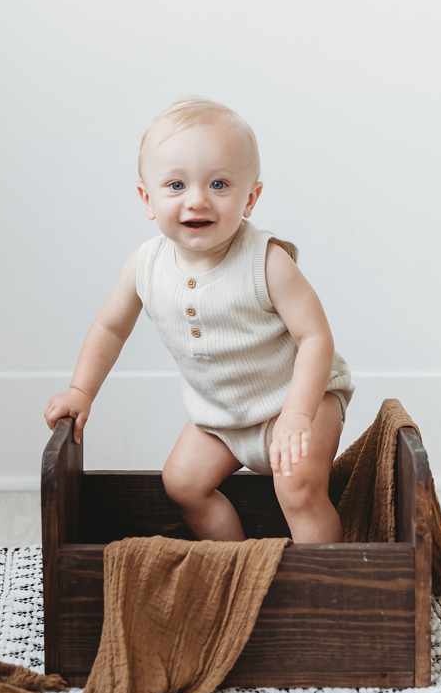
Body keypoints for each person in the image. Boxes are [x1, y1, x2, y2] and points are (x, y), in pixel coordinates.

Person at [44, 97, 354, 543]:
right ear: (146, 199)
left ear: (251, 197)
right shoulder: (144, 267)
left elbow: (315, 339)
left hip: (301, 401)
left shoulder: (266, 263)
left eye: (219, 184)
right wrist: (81, 390)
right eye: (175, 185)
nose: (197, 200)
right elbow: (110, 329)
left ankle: (324, 595)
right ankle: (236, 565)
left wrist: (298, 415)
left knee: (298, 489)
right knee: (182, 484)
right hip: (221, 417)